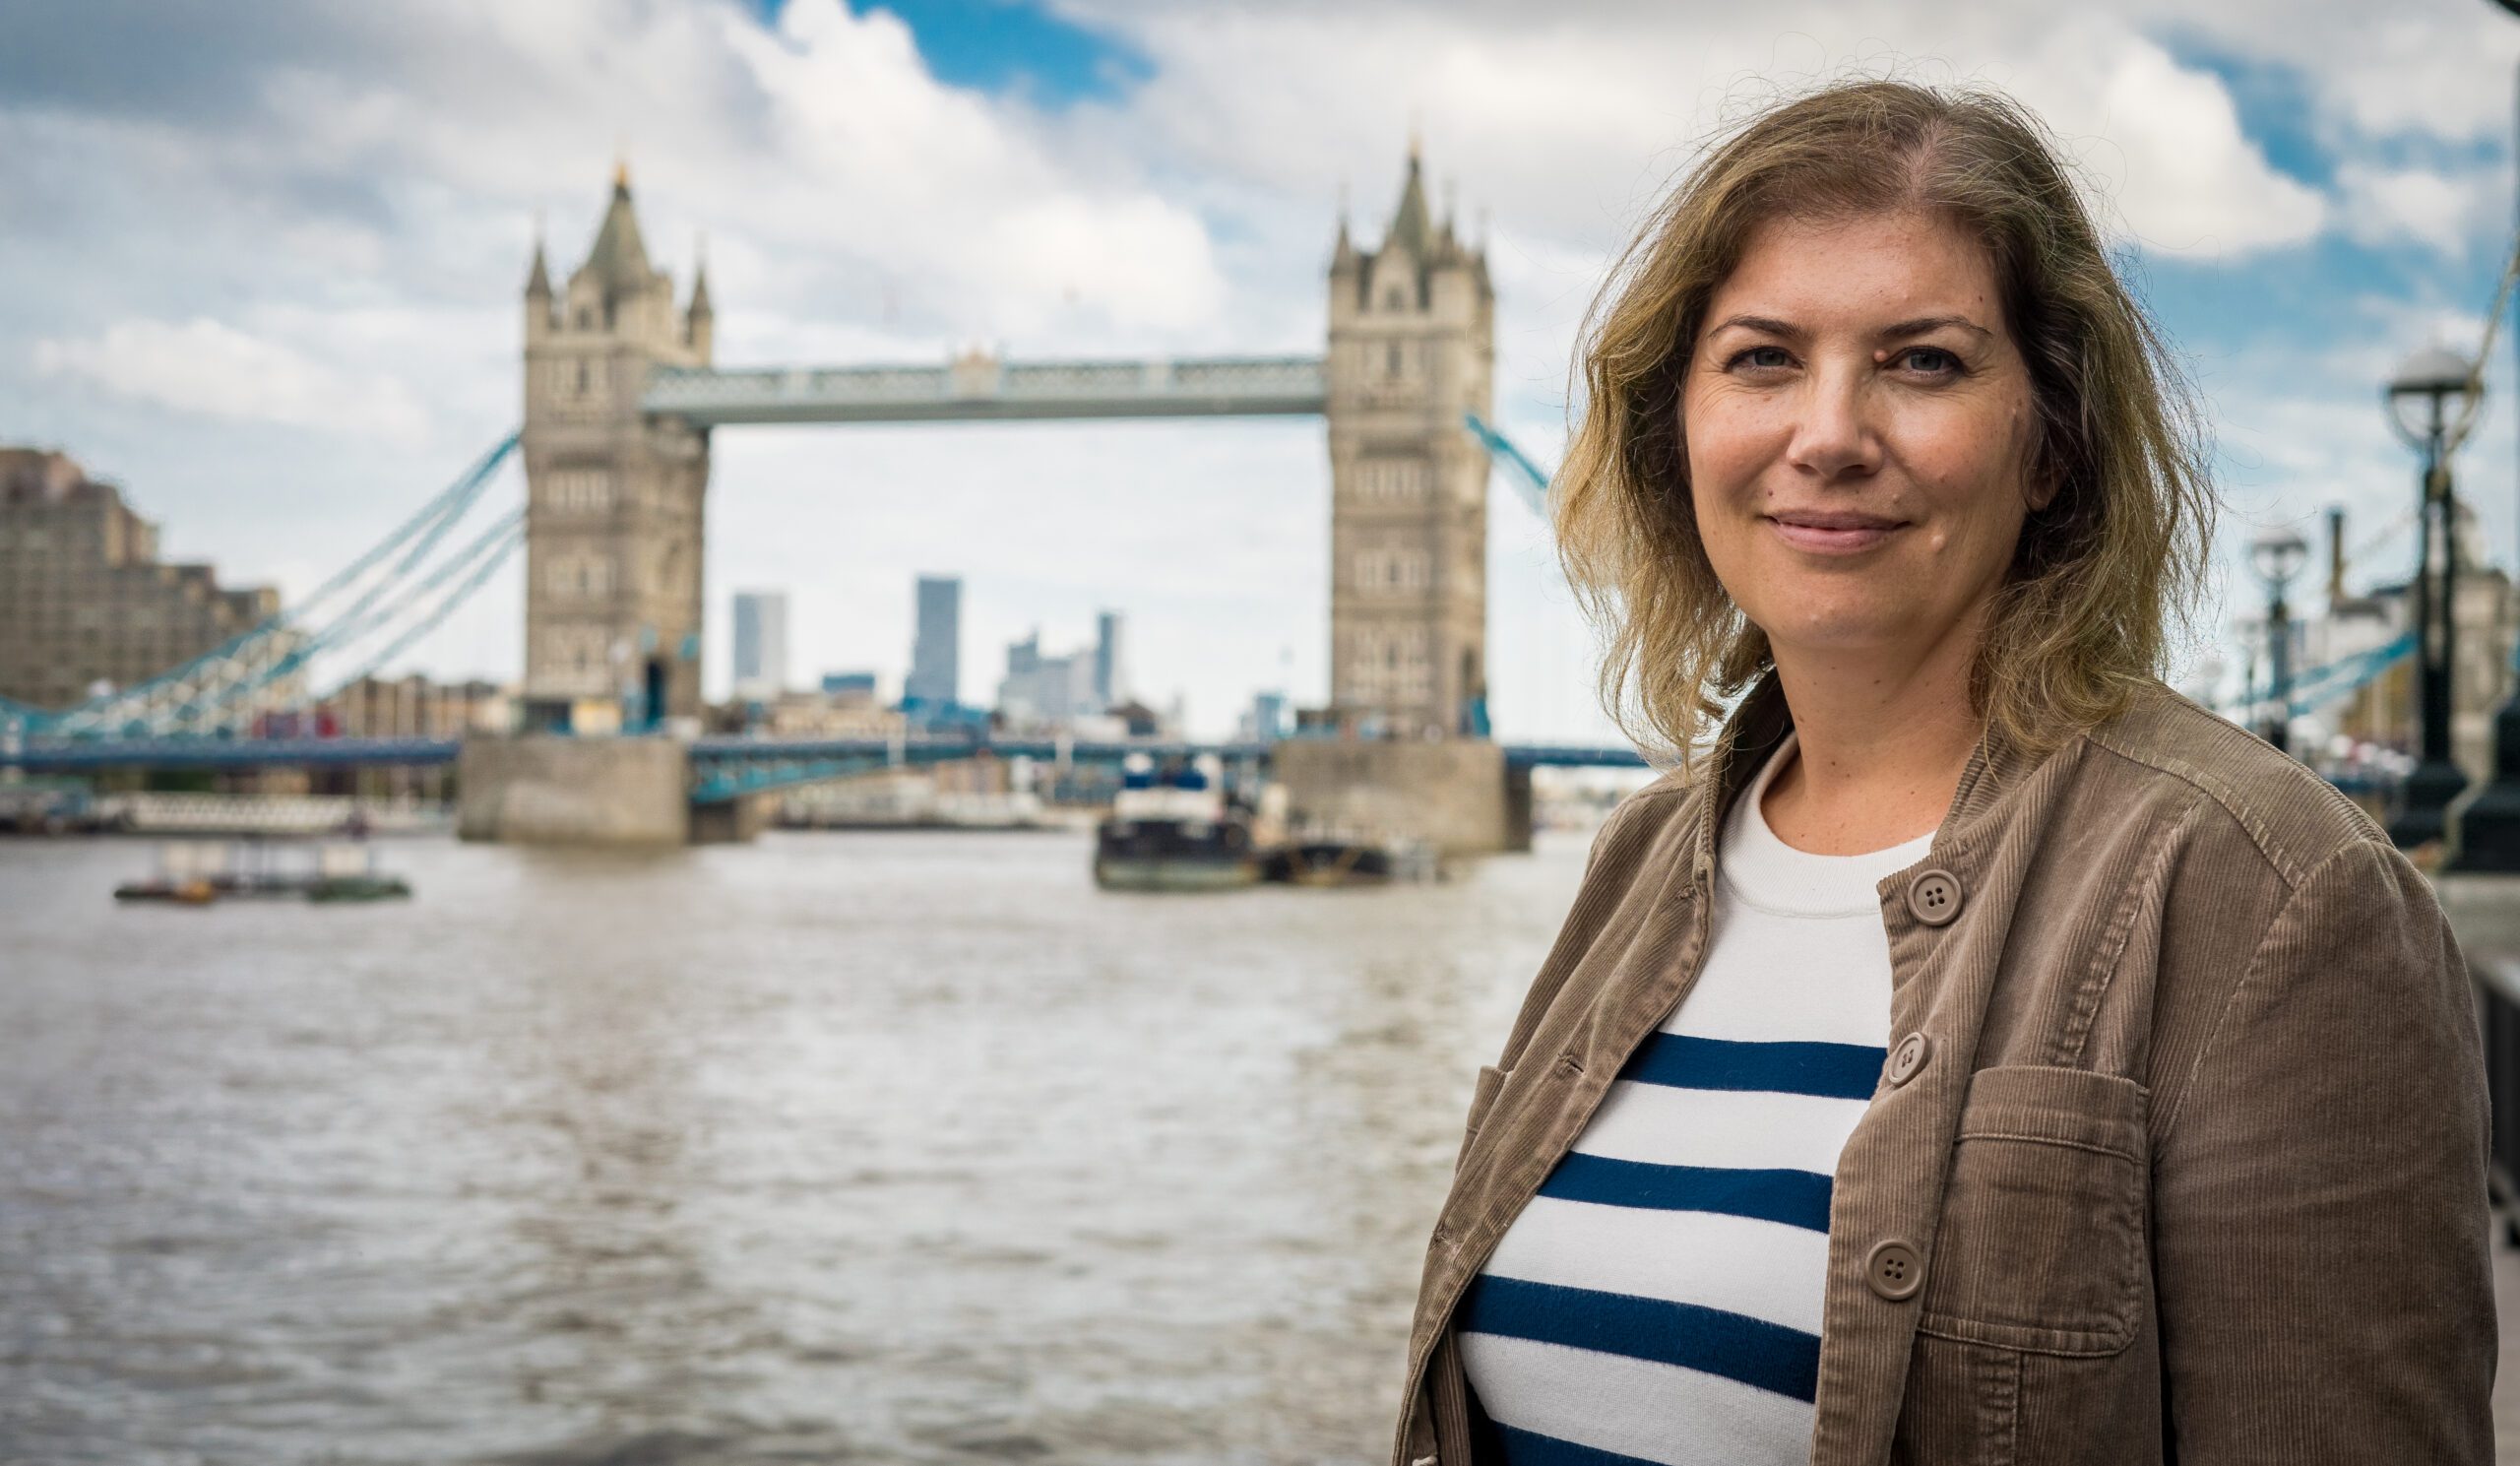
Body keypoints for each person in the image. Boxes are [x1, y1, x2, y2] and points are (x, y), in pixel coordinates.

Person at [1391, 79, 2494, 1466]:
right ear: (1678, 428)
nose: (1831, 433)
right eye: (1761, 358)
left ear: (2052, 443)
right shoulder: (1643, 855)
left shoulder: (2273, 899)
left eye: (1922, 361)